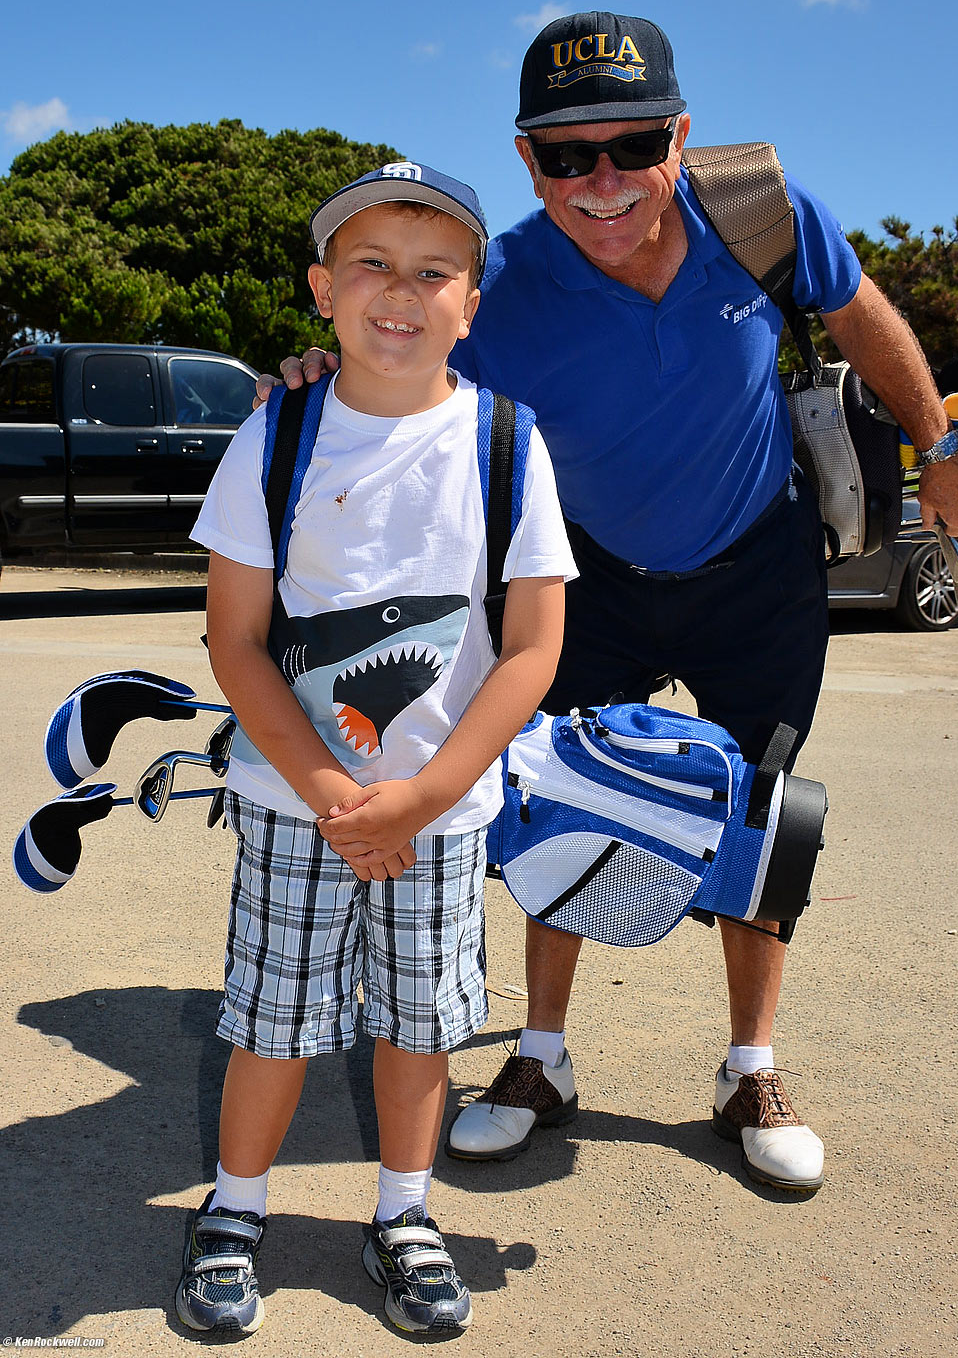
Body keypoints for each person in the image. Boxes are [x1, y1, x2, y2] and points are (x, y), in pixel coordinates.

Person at [259, 12, 958, 1196]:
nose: (599, 182)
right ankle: (539, 1058)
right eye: (563, 155)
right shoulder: (498, 284)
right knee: (553, 809)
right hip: (587, 581)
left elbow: (860, 314)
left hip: (756, 568)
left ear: (678, 136)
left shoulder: (761, 216)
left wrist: (943, 439)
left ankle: (749, 1066)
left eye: (630, 144)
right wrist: (314, 375)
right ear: (524, 157)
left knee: (760, 820)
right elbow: (397, 360)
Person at [178, 162, 575, 1337]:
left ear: (470, 303)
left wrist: (425, 795)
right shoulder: (274, 436)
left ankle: (405, 1214)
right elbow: (235, 640)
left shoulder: (508, 442)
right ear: (321, 289)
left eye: (432, 272)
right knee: (271, 1016)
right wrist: (333, 792)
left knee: (418, 1026)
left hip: (440, 817)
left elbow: (531, 649)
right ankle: (233, 1210)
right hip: (295, 800)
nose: (398, 293)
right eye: (370, 265)